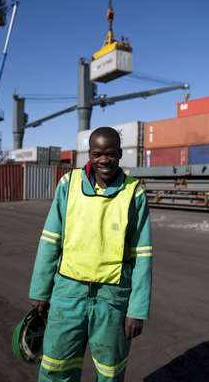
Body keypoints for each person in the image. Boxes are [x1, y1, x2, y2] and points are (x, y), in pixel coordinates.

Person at [29, 127, 153, 382]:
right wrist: (40, 291)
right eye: (97, 154)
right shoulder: (69, 184)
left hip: (112, 299)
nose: (104, 160)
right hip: (67, 294)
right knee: (55, 366)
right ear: (89, 154)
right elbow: (50, 241)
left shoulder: (134, 192)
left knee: (110, 373)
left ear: (120, 153)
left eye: (110, 153)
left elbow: (142, 255)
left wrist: (137, 309)